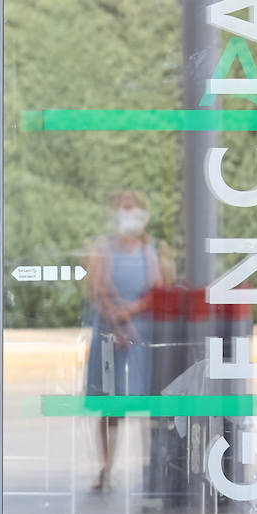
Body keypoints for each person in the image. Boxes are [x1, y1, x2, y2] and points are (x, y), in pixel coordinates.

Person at [84, 189, 169, 491]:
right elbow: (97, 288)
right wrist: (117, 321)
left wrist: (129, 314)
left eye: (134, 209)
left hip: (141, 334)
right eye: (123, 208)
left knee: (148, 405)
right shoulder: (103, 247)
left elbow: (156, 291)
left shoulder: (150, 250)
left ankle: (151, 467)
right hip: (111, 332)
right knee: (111, 407)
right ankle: (106, 470)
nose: (128, 215)